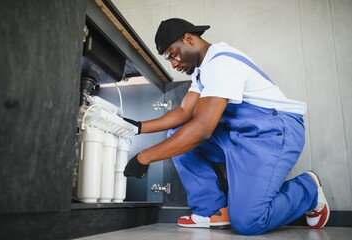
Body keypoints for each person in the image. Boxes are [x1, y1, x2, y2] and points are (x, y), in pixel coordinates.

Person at [123, 18, 329, 235]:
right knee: (177, 133)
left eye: (173, 55)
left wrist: (143, 158)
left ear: (188, 39)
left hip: (273, 132)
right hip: (243, 134)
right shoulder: (201, 70)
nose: (173, 64)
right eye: (168, 59)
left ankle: (308, 188)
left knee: (249, 222)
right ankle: (209, 210)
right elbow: (184, 112)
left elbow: (202, 129)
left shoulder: (221, 63)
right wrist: (138, 126)